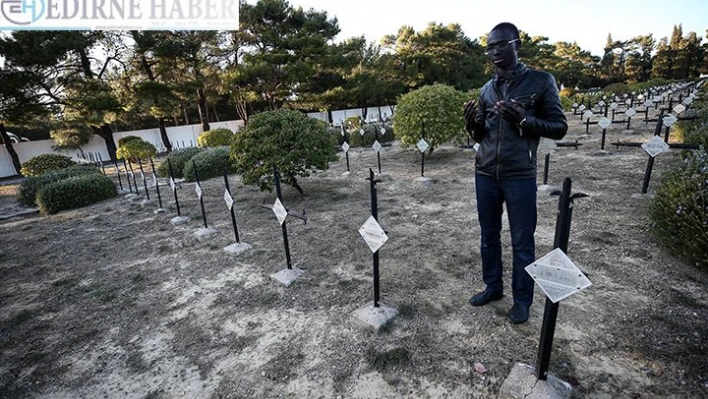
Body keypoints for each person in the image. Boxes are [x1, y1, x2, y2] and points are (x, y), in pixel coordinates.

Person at [463, 22, 567, 324]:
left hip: (519, 174)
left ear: (516, 45)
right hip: (485, 174)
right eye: (490, 47)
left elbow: (559, 127)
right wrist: (471, 123)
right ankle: (493, 287)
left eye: (500, 45)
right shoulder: (487, 88)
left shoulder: (541, 81)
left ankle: (522, 300)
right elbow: (480, 135)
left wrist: (524, 120)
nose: (494, 52)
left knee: (522, 240)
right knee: (488, 236)